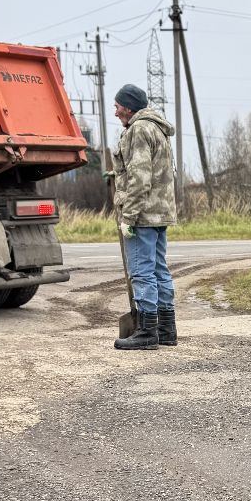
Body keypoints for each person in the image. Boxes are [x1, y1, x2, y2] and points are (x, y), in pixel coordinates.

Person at [111, 84, 178, 351]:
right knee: (160, 269)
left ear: (128, 107)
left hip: (143, 214)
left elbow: (140, 178)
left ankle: (147, 332)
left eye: (117, 107)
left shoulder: (138, 129)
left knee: (142, 272)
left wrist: (129, 216)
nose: (115, 112)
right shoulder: (157, 128)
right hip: (160, 212)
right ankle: (166, 329)